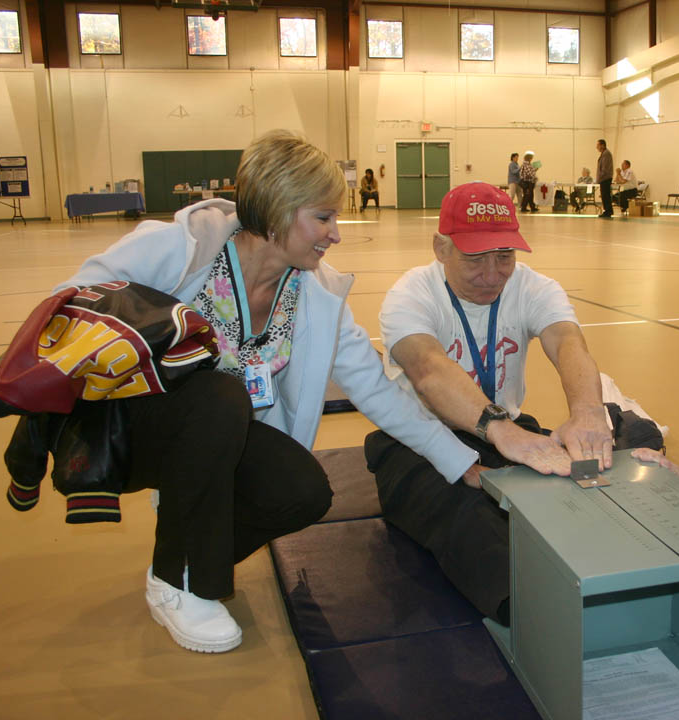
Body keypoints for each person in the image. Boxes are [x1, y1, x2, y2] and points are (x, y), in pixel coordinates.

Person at [54, 130, 475, 653]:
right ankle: (189, 580)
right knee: (219, 394)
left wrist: (459, 460)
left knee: (304, 492)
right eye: (323, 218)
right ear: (278, 210)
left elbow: (376, 390)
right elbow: (68, 302)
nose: (335, 234)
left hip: (218, 441)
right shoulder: (180, 249)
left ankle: (172, 574)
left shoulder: (315, 293)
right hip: (134, 432)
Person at [365, 181, 629, 625]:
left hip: (503, 430)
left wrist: (587, 413)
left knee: (591, 469)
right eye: (474, 259)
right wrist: (505, 435)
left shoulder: (533, 287)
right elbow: (429, 371)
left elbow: (568, 344)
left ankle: (619, 571)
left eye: (504, 257)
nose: (492, 274)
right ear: (440, 248)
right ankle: (536, 614)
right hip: (419, 441)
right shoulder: (410, 295)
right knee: (470, 515)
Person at [596, 139, 614, 219]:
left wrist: (600, 177)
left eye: (598, 145)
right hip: (604, 178)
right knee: (604, 195)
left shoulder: (606, 154)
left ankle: (608, 211)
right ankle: (607, 210)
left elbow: (605, 168)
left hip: (605, 178)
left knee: (605, 195)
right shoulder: (604, 153)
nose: (597, 147)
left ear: (603, 145)